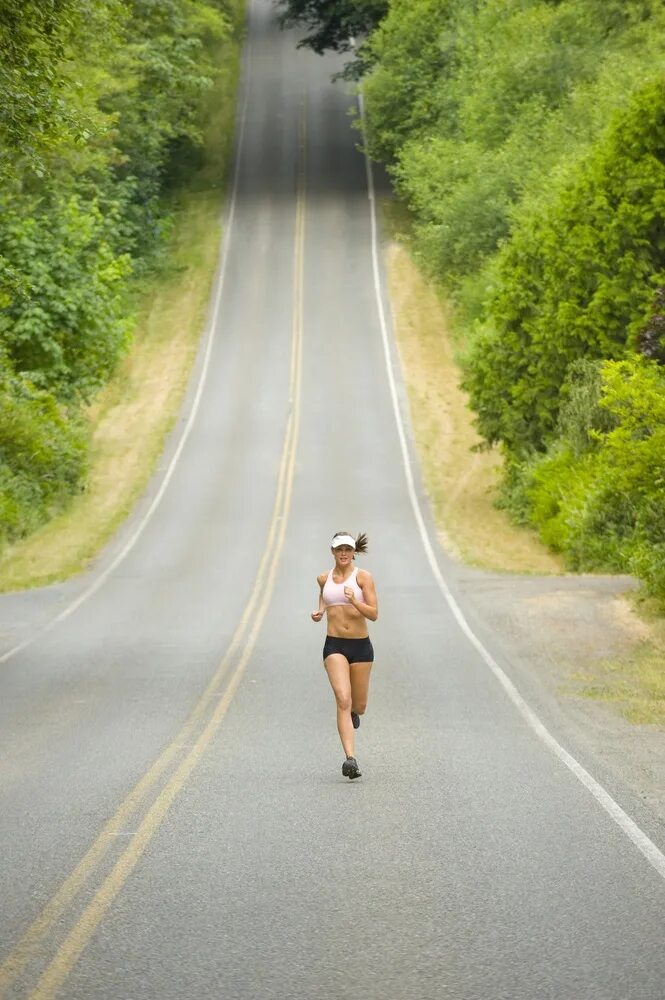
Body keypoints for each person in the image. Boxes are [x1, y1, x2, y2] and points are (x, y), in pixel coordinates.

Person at [311, 531, 378, 780]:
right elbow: (325, 596)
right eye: (339, 549)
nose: (344, 554)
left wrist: (354, 602)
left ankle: (353, 715)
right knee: (343, 699)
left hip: (361, 647)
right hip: (334, 645)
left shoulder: (363, 578)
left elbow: (374, 614)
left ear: (353, 552)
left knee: (358, 705)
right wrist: (319, 611)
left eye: (348, 550)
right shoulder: (322, 578)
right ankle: (350, 759)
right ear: (332, 551)